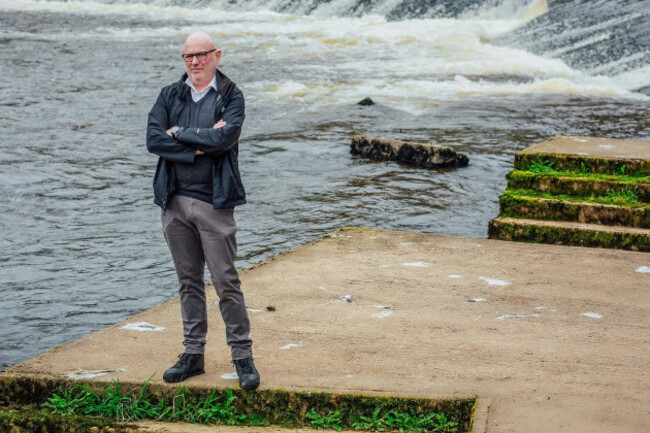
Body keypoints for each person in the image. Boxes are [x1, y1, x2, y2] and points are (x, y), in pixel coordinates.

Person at [146, 32, 259, 390]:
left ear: (216, 56)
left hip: (214, 202)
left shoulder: (231, 95)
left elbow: (224, 139)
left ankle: (243, 358)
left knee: (226, 282)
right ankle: (193, 355)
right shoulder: (170, 94)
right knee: (188, 282)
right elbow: (153, 139)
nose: (194, 61)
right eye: (188, 56)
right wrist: (196, 144)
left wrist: (177, 132)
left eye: (201, 55)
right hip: (174, 200)